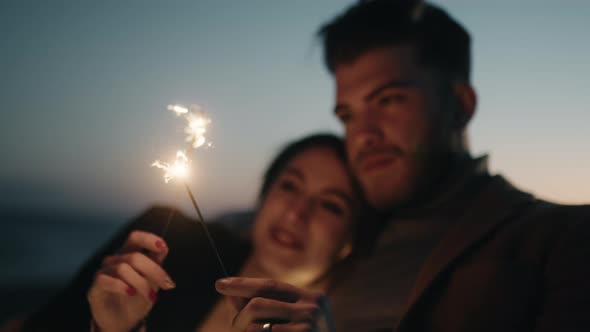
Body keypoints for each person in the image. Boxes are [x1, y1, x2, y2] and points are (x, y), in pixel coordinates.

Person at [218, 1, 590, 331]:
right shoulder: (346, 234)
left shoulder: (560, 239)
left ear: (461, 104)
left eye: (388, 100)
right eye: (347, 116)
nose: (363, 134)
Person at [18, 133, 369, 331]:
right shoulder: (165, 245)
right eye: (290, 186)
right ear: (264, 195)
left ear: (351, 241)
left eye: (331, 205)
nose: (297, 212)